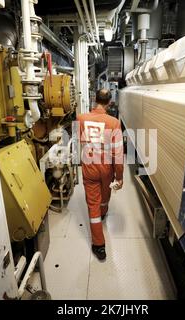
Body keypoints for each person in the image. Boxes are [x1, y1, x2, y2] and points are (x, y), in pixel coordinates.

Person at [76, 89, 124, 261]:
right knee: (105, 194)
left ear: (94, 100)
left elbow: (77, 143)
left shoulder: (81, 118)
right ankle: (103, 212)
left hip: (89, 168)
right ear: (109, 102)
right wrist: (119, 176)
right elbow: (118, 154)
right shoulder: (114, 122)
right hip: (106, 169)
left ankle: (99, 246)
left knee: (93, 204)